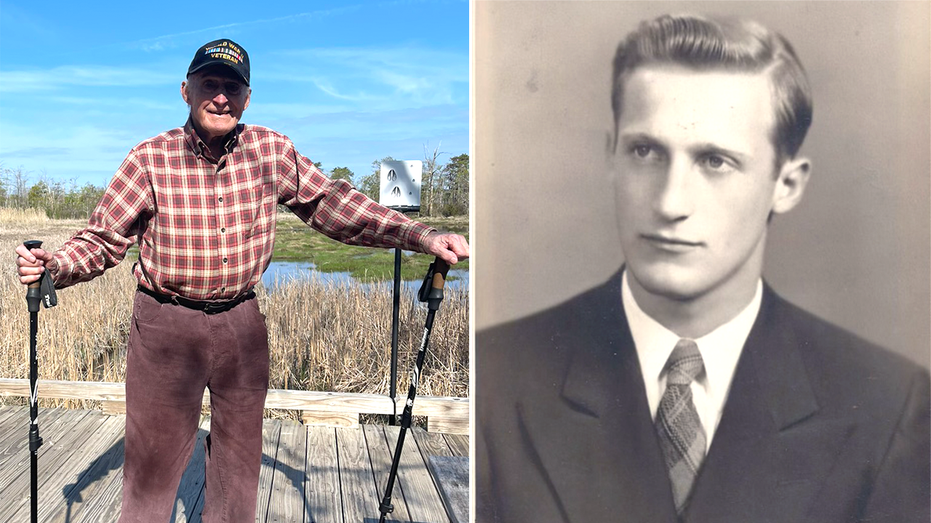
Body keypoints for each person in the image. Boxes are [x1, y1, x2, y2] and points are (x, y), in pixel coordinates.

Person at [476, 14, 929, 523]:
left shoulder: (889, 405)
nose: (670, 203)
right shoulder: (494, 378)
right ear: (611, 157)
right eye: (645, 151)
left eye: (715, 161)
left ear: (787, 183)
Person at [15, 39, 469, 523]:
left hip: (241, 325)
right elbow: (104, 238)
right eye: (209, 84)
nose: (220, 96)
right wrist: (54, 266)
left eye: (232, 87)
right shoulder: (149, 157)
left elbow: (332, 205)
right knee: (151, 472)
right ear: (186, 90)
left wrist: (421, 235)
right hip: (165, 327)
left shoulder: (271, 150)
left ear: (247, 98)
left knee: (238, 470)